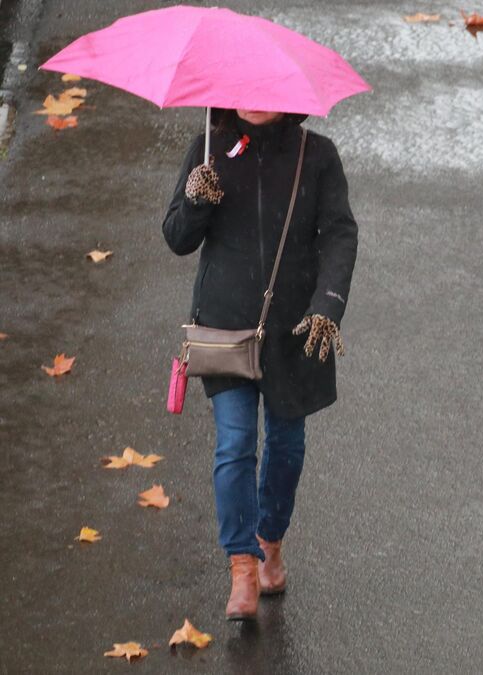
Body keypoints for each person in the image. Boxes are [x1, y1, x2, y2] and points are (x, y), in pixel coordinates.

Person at [162, 108, 358, 620]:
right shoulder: (209, 148)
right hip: (225, 326)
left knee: (287, 442)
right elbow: (178, 238)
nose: (254, 102)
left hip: (294, 330)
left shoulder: (316, 155)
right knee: (234, 443)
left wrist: (327, 306)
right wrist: (194, 200)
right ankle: (242, 567)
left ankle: (270, 539)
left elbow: (339, 234)